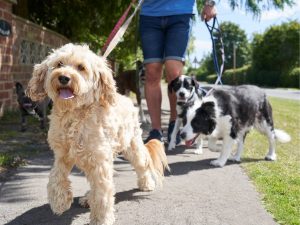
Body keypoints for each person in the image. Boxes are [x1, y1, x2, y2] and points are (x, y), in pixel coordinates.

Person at [139, 0, 217, 143]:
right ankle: (155, 131)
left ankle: (174, 123)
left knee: (174, 73)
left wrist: (210, 3)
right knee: (152, 72)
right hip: (149, 13)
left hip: (180, 11)